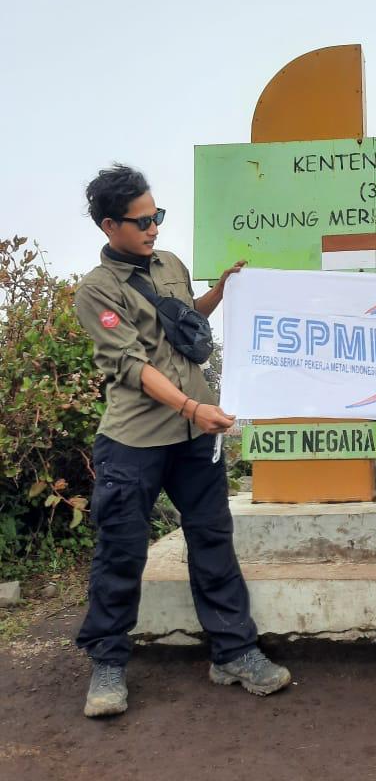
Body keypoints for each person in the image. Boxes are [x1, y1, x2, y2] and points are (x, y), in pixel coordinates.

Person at [75, 165, 291, 719]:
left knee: (212, 539)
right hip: (135, 441)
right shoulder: (96, 290)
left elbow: (182, 326)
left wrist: (220, 290)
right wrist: (195, 405)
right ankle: (108, 664)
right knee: (121, 552)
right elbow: (131, 364)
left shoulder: (171, 265)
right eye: (141, 221)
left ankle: (235, 653)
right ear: (108, 225)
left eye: (157, 216)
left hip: (194, 436)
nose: (153, 228)